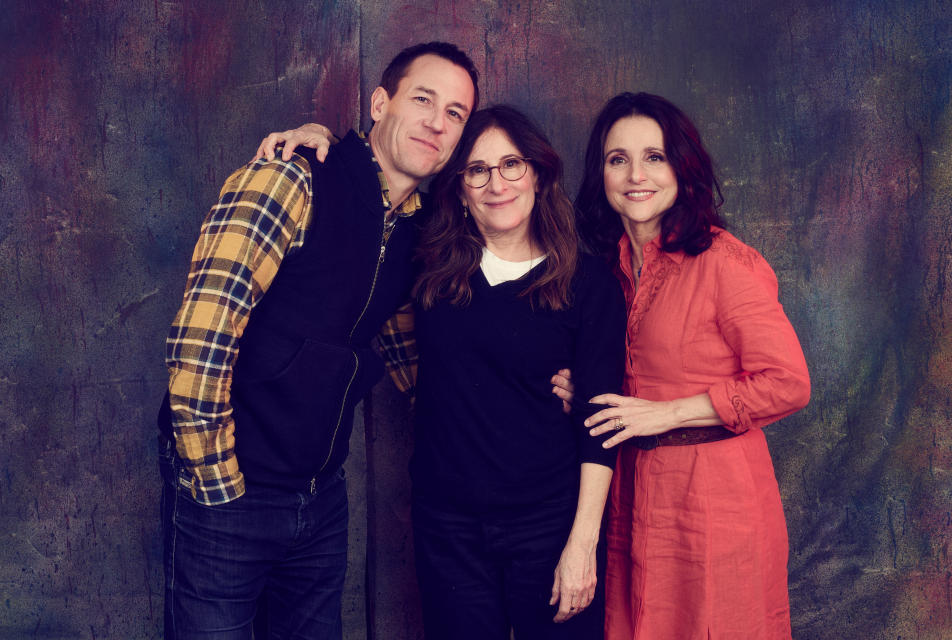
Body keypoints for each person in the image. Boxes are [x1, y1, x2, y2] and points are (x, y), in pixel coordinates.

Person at [258, 105, 627, 638]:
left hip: (549, 523)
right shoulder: (429, 254)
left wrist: (581, 545)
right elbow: (374, 185)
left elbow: (600, 424)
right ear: (459, 187)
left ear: (540, 174)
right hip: (448, 527)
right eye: (477, 170)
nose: (496, 184)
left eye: (511, 165)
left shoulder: (587, 280)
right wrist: (321, 141)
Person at [158, 41, 478, 639]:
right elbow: (203, 332)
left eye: (455, 113)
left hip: (320, 499)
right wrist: (216, 482)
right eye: (424, 99)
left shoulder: (420, 229)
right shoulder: (294, 176)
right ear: (380, 104)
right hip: (231, 488)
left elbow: (410, 355)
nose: (437, 121)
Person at [572, 92, 811, 639]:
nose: (636, 174)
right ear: (601, 173)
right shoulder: (607, 269)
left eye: (654, 157)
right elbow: (627, 376)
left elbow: (789, 384)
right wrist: (583, 386)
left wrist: (668, 413)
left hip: (716, 502)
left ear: (682, 167)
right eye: (618, 159)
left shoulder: (726, 263)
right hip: (633, 494)